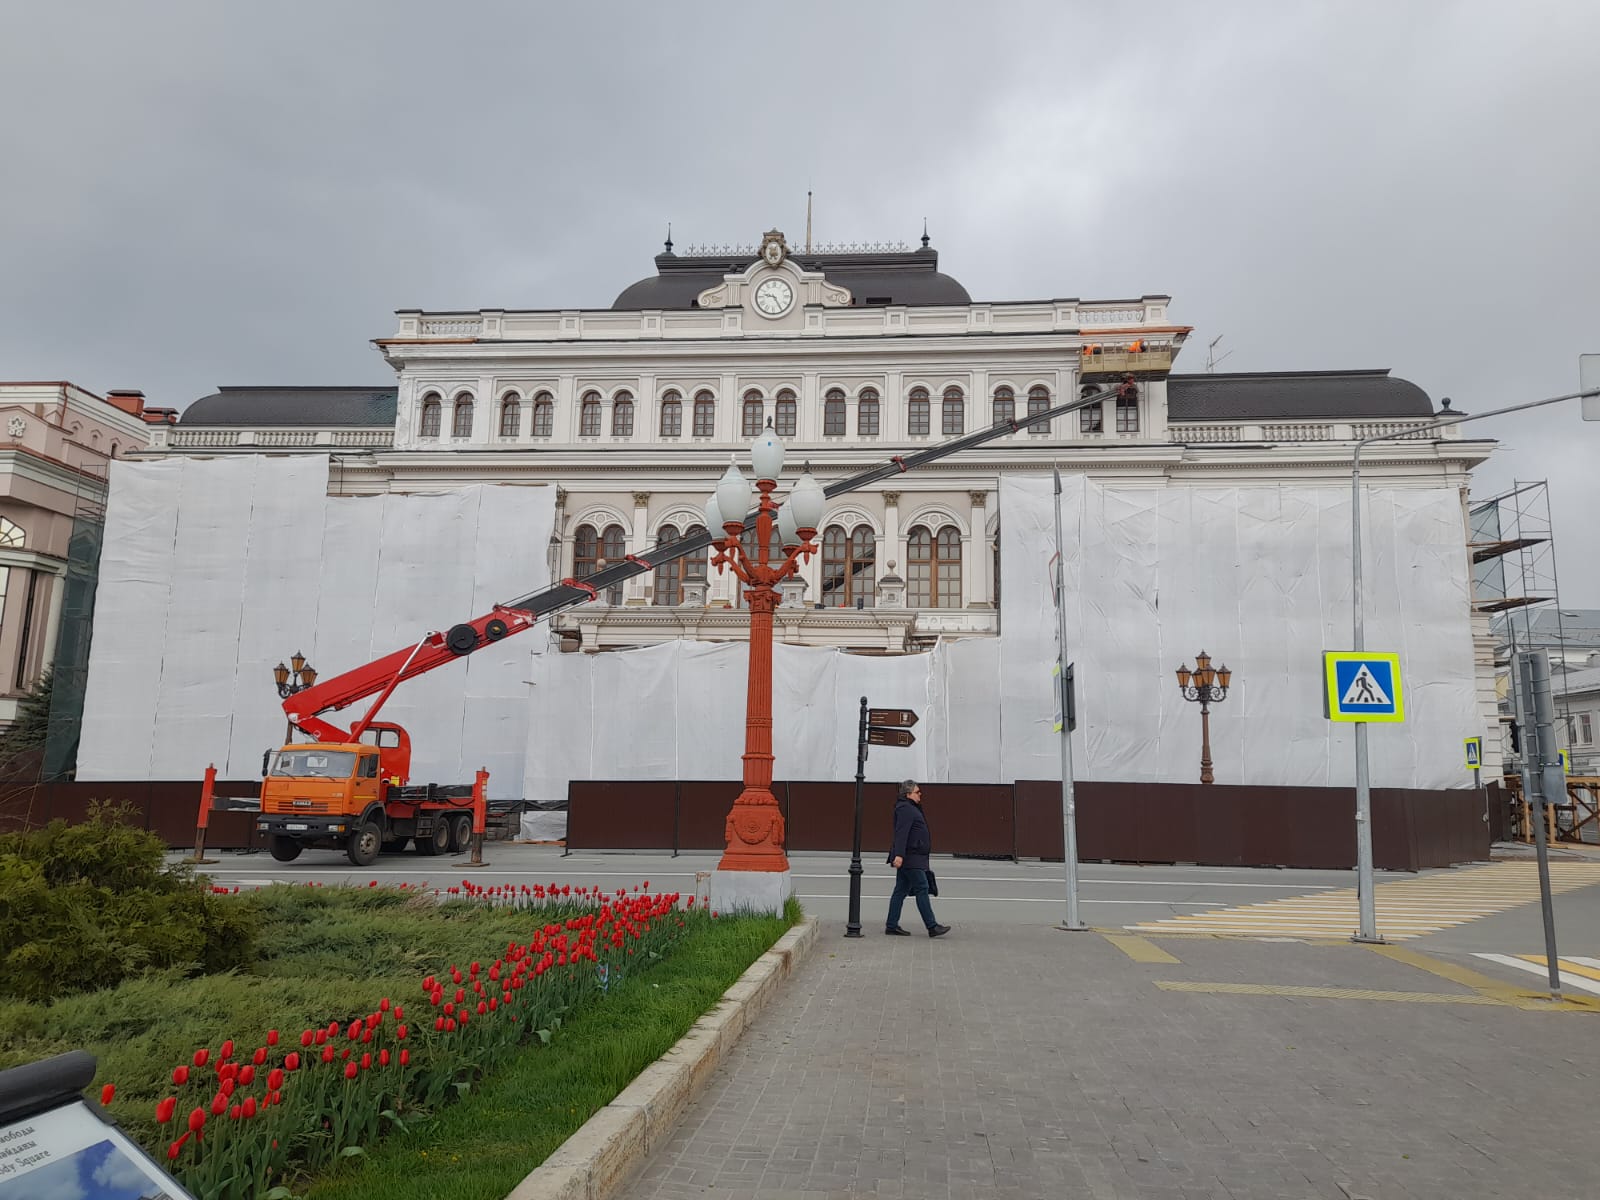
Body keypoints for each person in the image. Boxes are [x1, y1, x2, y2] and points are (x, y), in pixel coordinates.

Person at [886, 779, 950, 938]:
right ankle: (932, 926)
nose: (920, 794)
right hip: (911, 857)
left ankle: (891, 925)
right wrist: (899, 855)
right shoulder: (906, 809)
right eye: (917, 792)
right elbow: (901, 833)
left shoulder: (909, 807)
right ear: (908, 794)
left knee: (900, 889)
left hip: (912, 856)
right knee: (922, 887)